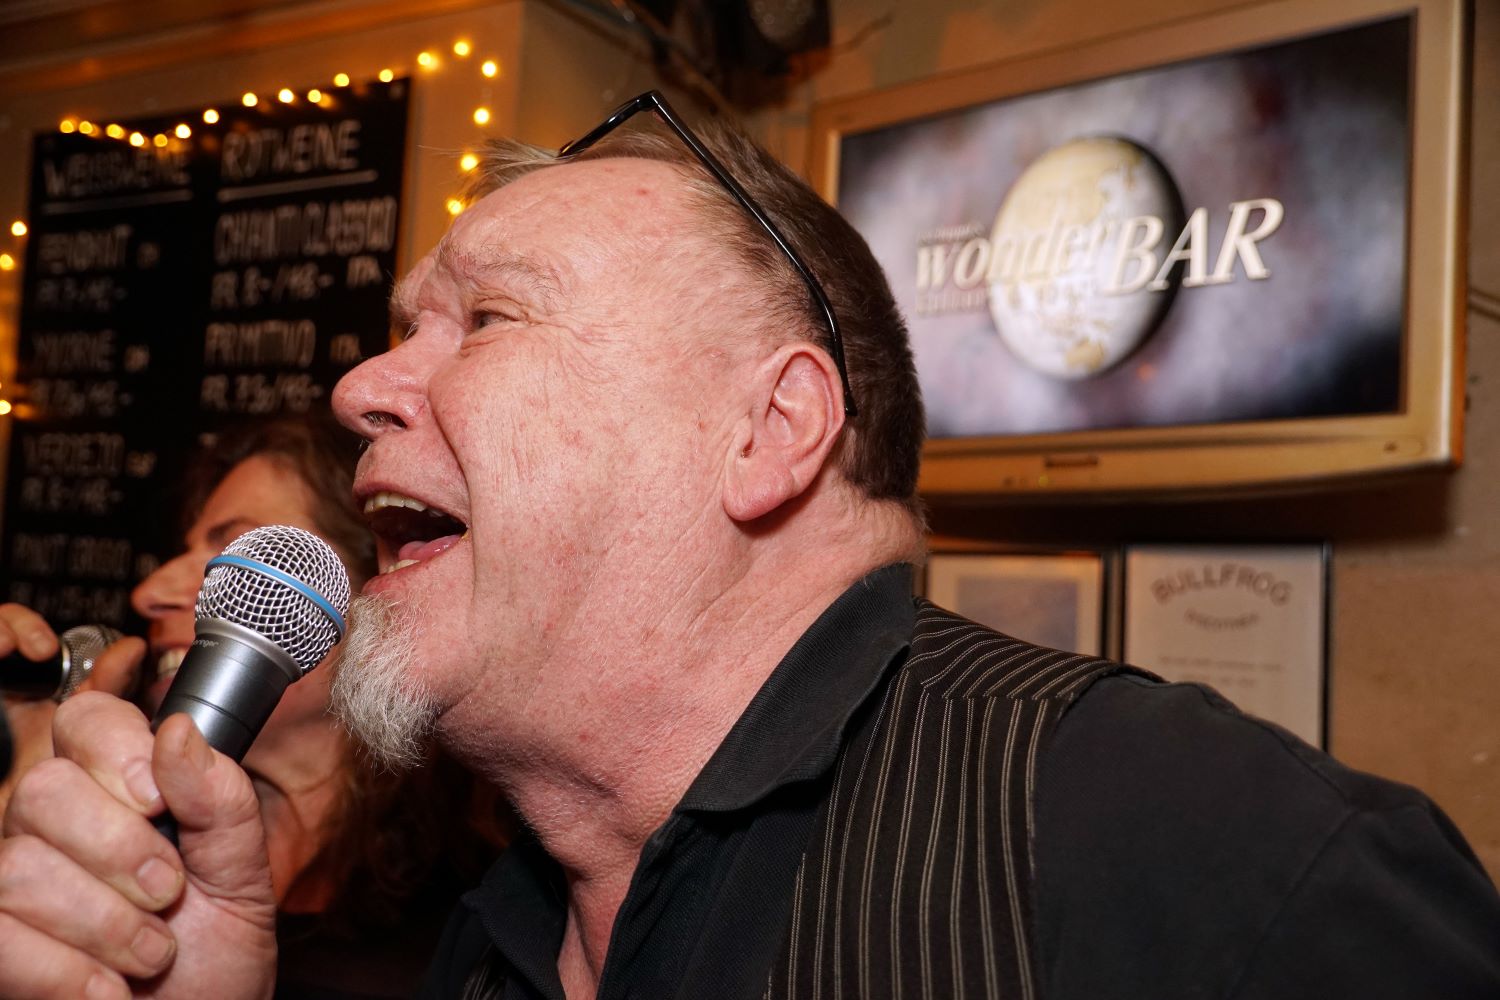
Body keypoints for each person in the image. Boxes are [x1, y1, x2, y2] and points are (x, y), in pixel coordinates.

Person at [1, 92, 1498, 1000]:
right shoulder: (494, 935)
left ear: (772, 431)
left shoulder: (1192, 849)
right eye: (402, 329)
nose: (361, 387)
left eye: (488, 316)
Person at [0, 414, 504, 999]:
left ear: (373, 590)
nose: (150, 592)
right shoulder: (118, 826)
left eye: (235, 547)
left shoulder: (481, 928)